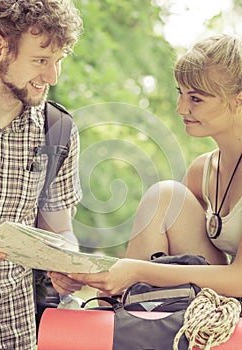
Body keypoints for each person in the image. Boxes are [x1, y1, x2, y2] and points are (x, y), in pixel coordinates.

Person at [50, 34, 242, 300]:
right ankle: (116, 312)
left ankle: (115, 313)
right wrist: (95, 272)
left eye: (196, 99)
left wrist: (137, 271)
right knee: (165, 196)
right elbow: (178, 259)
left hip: (236, 293)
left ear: (238, 99)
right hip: (219, 303)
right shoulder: (203, 171)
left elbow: (239, 280)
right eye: (181, 94)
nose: (180, 108)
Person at [0, 0, 84, 349]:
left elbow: (60, 228)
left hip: (13, 330)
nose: (52, 77)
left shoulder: (59, 132)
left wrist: (67, 262)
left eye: (58, 62)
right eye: (40, 60)